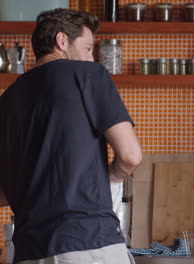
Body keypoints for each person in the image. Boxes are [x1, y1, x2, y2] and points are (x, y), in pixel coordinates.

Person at [0, 8, 142, 264]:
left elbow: (3, 193)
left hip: (28, 251)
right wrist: (111, 175)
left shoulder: (7, 100)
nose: (90, 58)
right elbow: (130, 156)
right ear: (62, 40)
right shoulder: (88, 74)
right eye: (88, 48)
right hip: (87, 244)